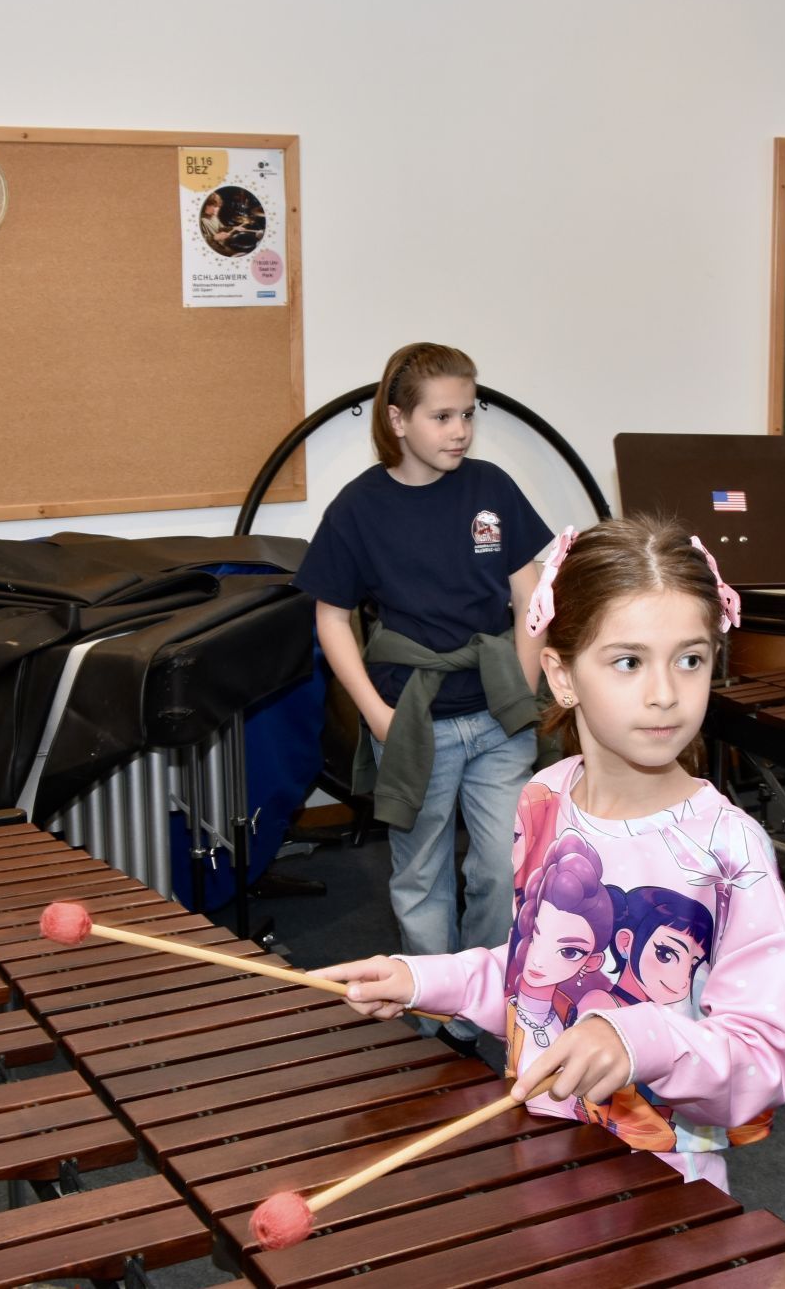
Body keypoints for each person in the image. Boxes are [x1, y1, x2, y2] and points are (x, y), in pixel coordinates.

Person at [312, 515, 785, 1190]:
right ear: (562, 675)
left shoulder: (727, 849)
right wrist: (424, 981)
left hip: (660, 1182)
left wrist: (639, 1042)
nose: (666, 692)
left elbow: (764, 1061)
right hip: (541, 1158)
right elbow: (531, 977)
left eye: (690, 658)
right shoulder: (544, 799)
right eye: (628, 661)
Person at [293, 342, 551, 1052]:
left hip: (497, 715)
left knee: (503, 864)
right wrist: (376, 712)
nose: (459, 430)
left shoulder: (491, 487)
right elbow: (330, 616)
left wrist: (524, 685)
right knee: (422, 871)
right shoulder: (359, 508)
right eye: (442, 416)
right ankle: (436, 1007)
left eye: (468, 414)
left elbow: (530, 589)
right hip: (413, 721)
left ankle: (482, 997)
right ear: (398, 419)